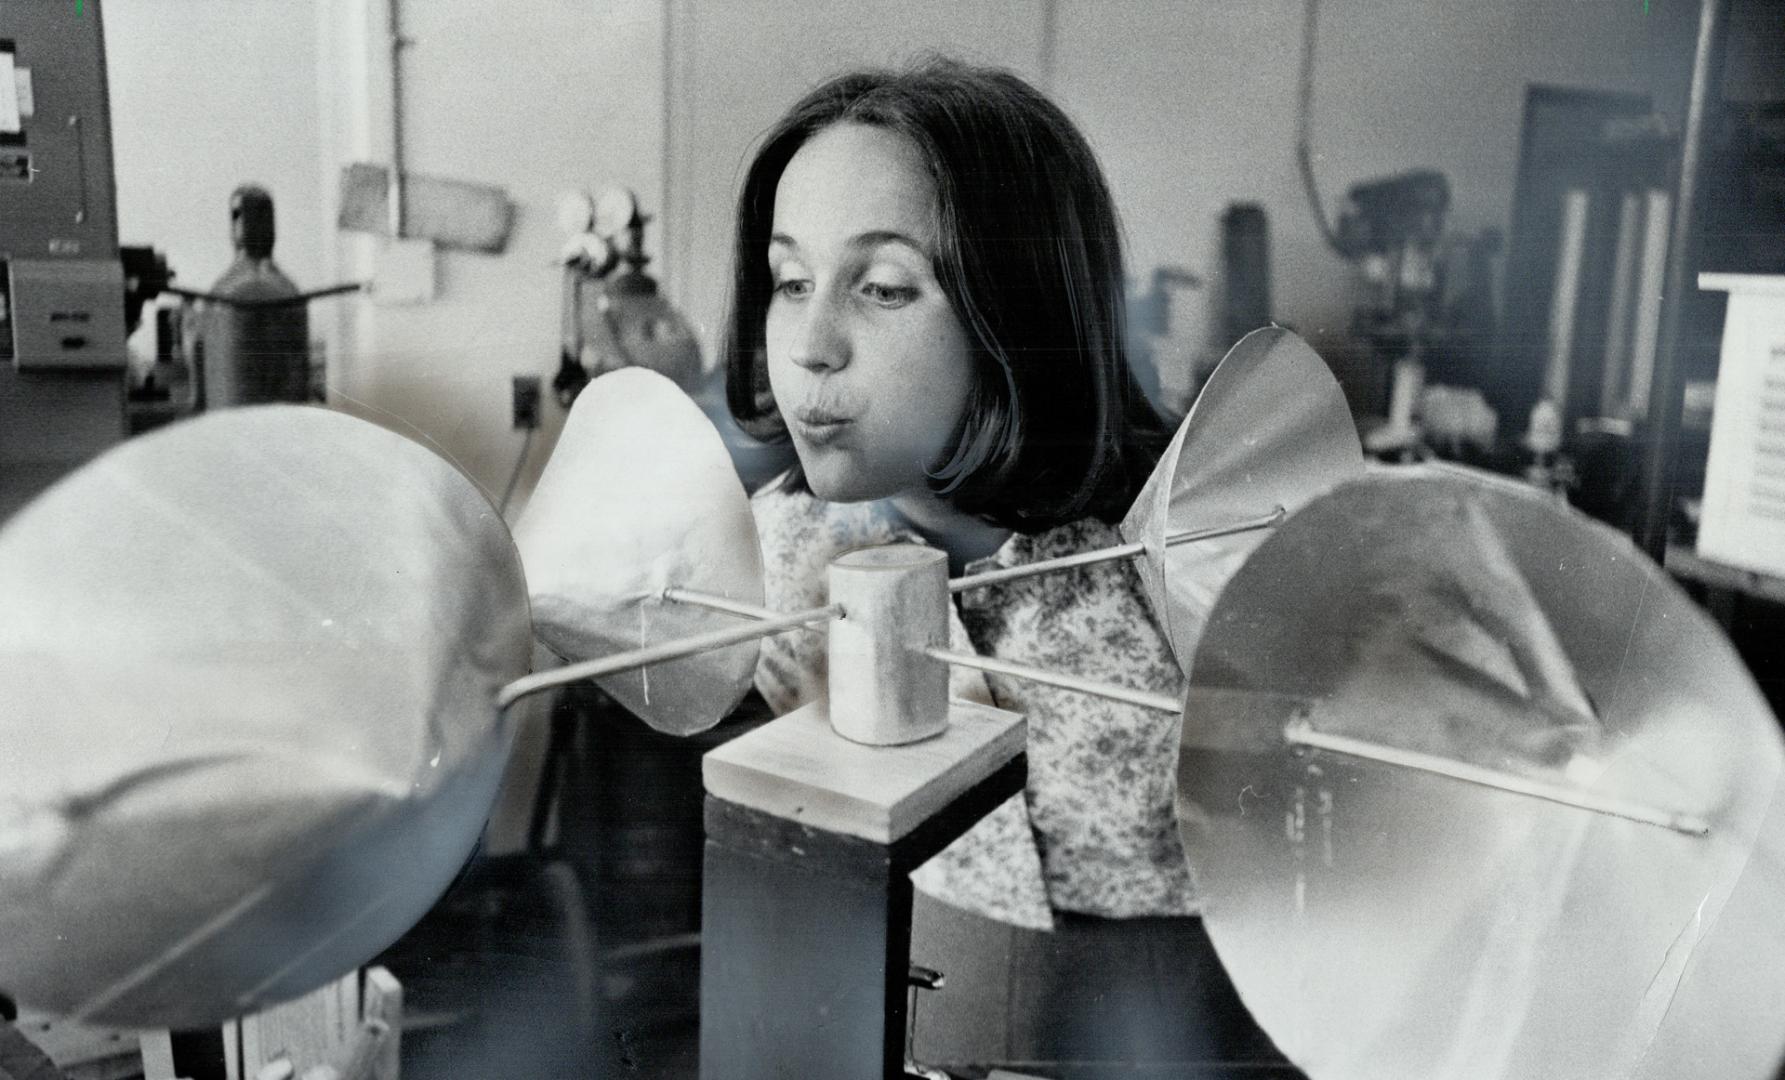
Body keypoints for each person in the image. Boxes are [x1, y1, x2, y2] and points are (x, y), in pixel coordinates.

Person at [718, 58, 1288, 1069]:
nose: (809, 344)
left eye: (885, 287)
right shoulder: (772, 546)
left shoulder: (1206, 543)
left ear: (1019, 312)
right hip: (916, 1014)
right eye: (790, 281)